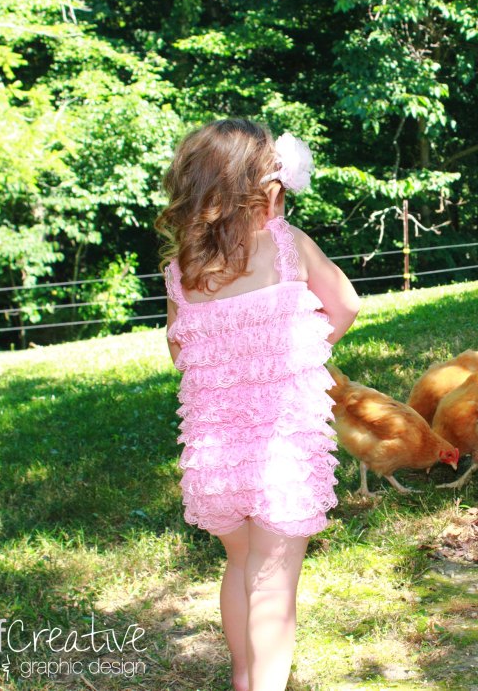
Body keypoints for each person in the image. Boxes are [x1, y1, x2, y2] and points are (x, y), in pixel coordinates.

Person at [154, 118, 360, 691]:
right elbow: (344, 306)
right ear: (262, 186)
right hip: (283, 451)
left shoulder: (182, 271)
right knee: (273, 583)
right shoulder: (288, 247)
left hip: (215, 454)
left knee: (240, 564)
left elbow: (179, 350)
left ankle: (244, 679)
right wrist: (298, 351)